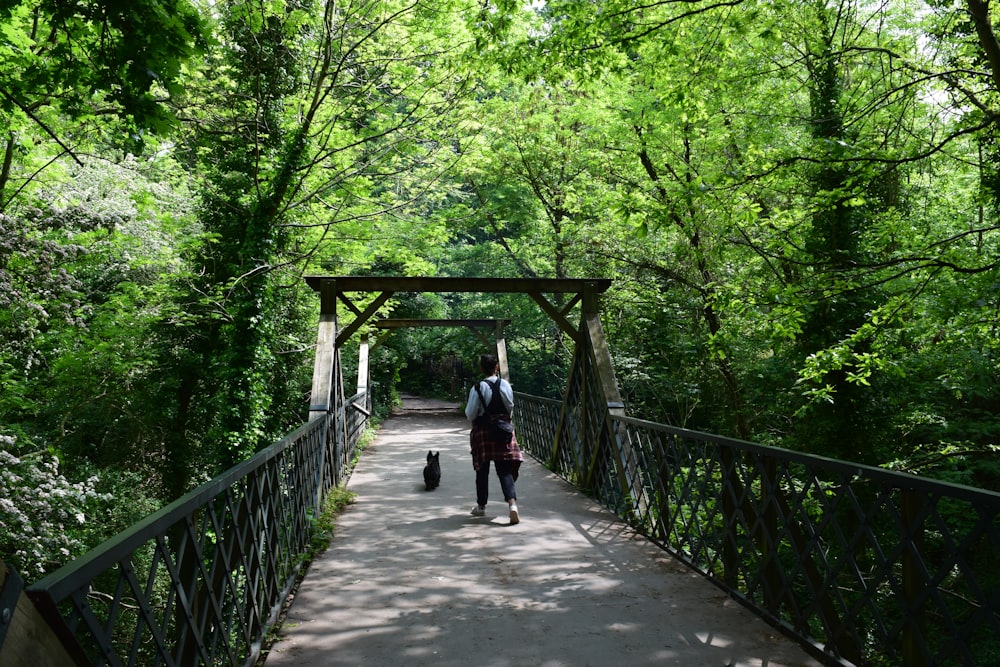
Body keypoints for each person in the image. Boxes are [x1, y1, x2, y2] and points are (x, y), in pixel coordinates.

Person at [465, 353, 524, 525]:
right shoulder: (505, 385)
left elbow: (470, 414)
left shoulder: (478, 388)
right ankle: (512, 505)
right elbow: (510, 407)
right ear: (496, 367)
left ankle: (481, 507)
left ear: (482, 368)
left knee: (481, 470)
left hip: (483, 432)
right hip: (502, 431)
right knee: (504, 470)